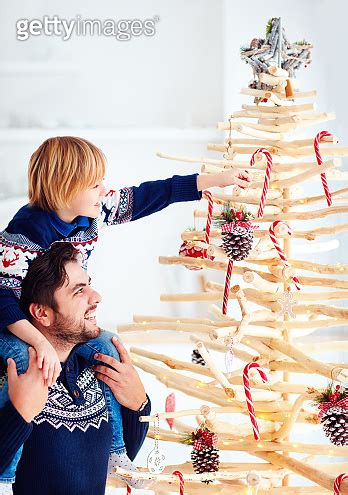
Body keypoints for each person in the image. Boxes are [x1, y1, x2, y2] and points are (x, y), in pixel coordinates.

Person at [0, 135, 252, 485]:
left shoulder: (93, 209)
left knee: (108, 347)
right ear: (64, 188)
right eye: (94, 184)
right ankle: (5, 472)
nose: (104, 190)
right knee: (24, 364)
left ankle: (116, 453)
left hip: (54, 328)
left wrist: (209, 183)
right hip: (15, 326)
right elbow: (2, 300)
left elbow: (151, 195)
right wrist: (39, 344)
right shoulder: (24, 235)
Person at [0, 242, 151, 494]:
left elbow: (118, 460)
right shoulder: (10, 372)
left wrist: (139, 404)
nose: (96, 297)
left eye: (89, 284)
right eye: (79, 291)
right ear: (42, 312)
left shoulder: (97, 367)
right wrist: (19, 414)